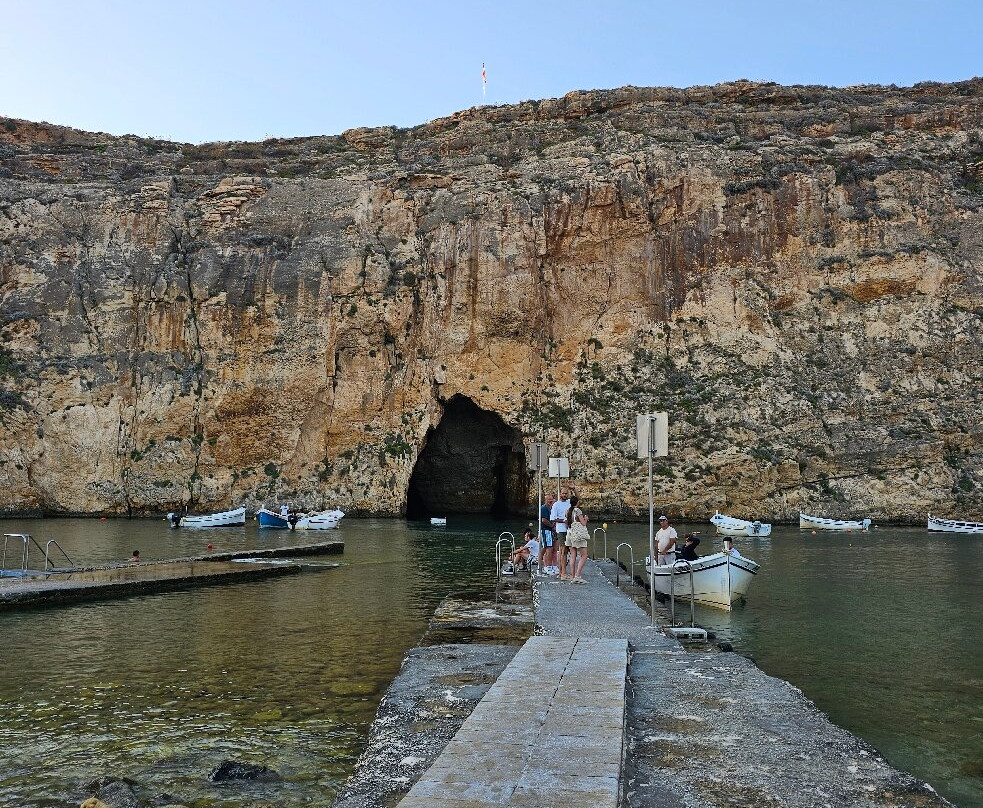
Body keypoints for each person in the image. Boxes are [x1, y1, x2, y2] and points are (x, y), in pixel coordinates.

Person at [563, 495, 590, 582]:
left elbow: (566, 522)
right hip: (577, 534)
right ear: (577, 502)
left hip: (569, 533)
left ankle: (572, 576)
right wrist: (586, 519)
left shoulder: (567, 511)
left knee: (572, 555)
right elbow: (583, 523)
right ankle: (577, 576)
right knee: (584, 555)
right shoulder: (577, 510)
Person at [550, 486, 573, 580]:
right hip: (561, 530)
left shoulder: (569, 502)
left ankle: (561, 572)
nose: (564, 495)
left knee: (567, 551)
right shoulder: (556, 504)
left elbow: (578, 499)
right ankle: (563, 573)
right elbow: (552, 518)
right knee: (563, 551)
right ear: (560, 494)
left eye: (566, 493)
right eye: (563, 493)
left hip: (570, 530)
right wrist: (564, 521)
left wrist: (574, 489)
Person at [539, 493, 557, 576]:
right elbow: (544, 520)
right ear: (545, 500)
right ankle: (548, 567)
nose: (550, 501)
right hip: (546, 530)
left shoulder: (550, 508)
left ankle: (550, 566)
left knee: (550, 548)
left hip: (550, 531)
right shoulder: (543, 508)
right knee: (548, 548)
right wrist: (552, 526)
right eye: (549, 499)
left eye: (551, 499)